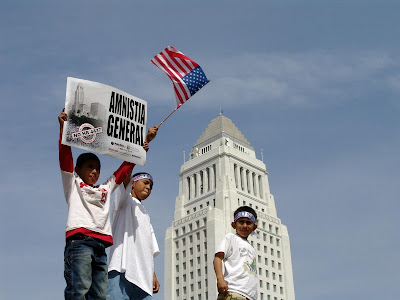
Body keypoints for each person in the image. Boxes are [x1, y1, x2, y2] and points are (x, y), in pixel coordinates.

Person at [58, 110, 156, 299]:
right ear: (78, 170)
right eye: (89, 167)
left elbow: (124, 169)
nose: (95, 171)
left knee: (99, 294)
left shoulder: (105, 188)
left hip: (100, 247)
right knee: (79, 287)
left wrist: (144, 144)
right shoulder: (73, 184)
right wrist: (63, 128)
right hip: (79, 242)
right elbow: (65, 158)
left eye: (98, 168)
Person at [107, 171, 160, 300]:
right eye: (146, 183)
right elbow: (125, 177)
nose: (148, 188)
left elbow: (148, 249)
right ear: (133, 183)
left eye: (151, 186)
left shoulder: (146, 215)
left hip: (143, 278)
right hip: (120, 269)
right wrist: (134, 155)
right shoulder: (123, 201)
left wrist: (152, 275)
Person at [213, 206, 259, 300]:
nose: (245, 225)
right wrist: (220, 278)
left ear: (254, 227)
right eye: (241, 222)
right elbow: (218, 258)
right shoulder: (231, 238)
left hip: (249, 296)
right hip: (233, 291)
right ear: (234, 225)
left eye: (248, 222)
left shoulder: (252, 248)